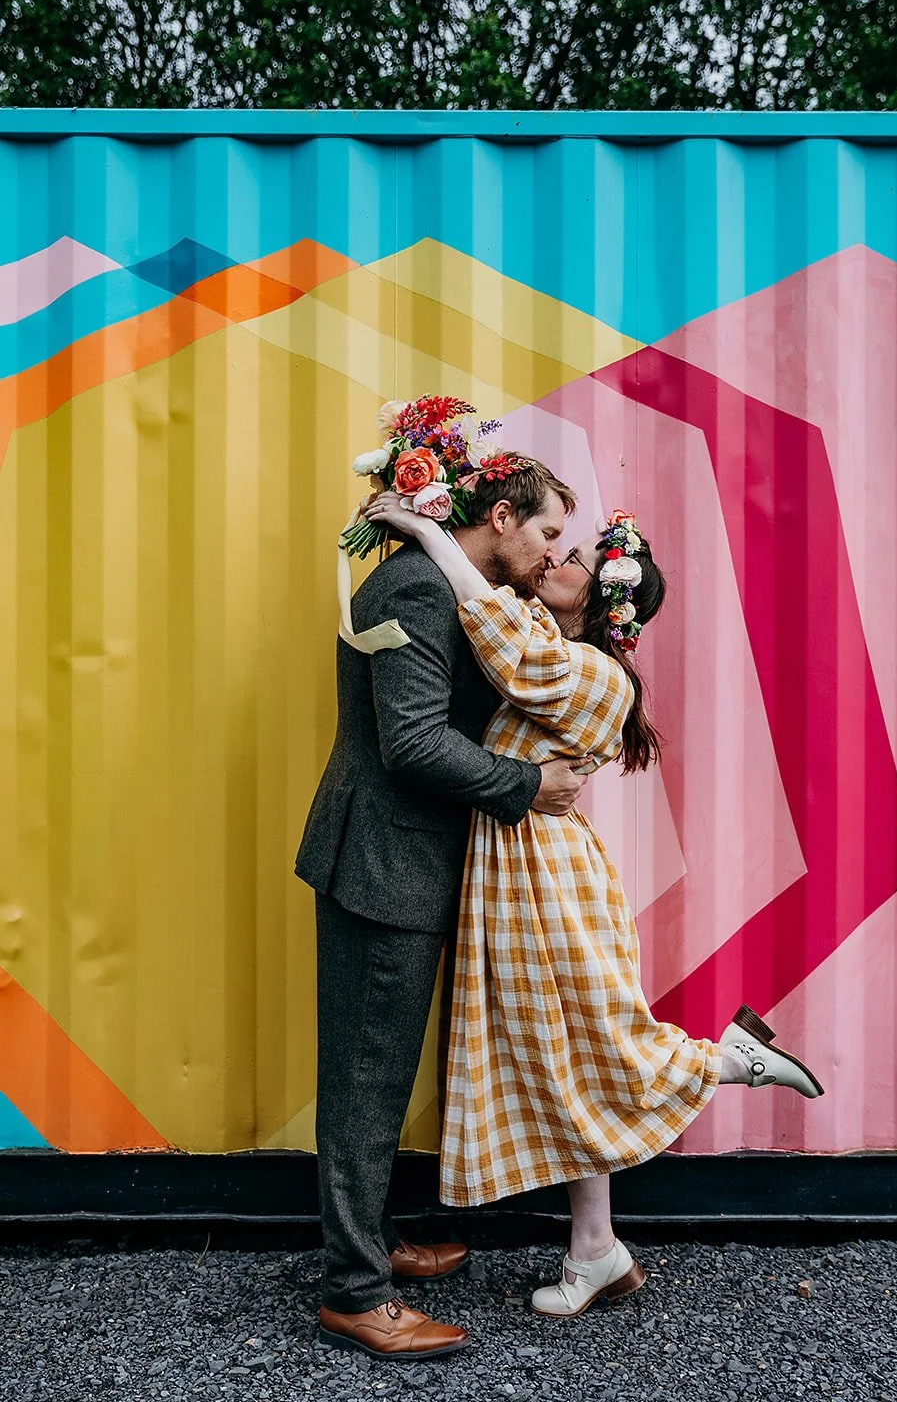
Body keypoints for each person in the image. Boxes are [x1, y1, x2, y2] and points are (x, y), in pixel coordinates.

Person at [364, 489, 825, 1321]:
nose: (555, 557)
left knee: (591, 1039)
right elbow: (506, 624)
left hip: (548, 879)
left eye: (571, 560)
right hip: (521, 871)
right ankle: (594, 1249)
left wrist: (429, 531)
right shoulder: (551, 638)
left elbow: (501, 642)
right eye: (556, 543)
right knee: (564, 1051)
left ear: (602, 598)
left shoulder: (595, 675)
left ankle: (723, 1060)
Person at [294, 456, 587, 1361]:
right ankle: (354, 1293)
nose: (549, 554)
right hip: (384, 862)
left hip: (400, 858)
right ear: (498, 517)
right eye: (543, 534)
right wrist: (527, 784)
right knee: (365, 1079)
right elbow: (414, 743)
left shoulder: (431, 577)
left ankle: (369, 1246)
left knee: (376, 1068)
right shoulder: (418, 591)